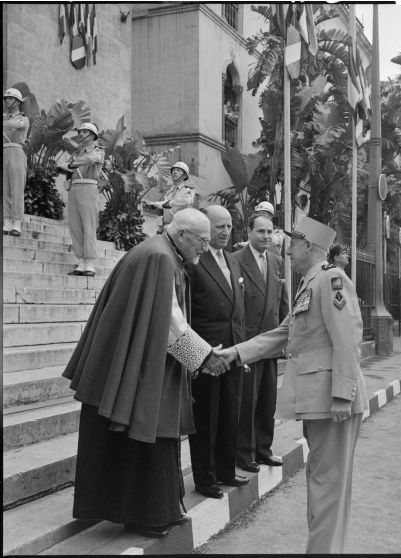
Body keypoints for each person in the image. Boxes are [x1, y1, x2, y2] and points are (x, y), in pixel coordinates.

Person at [62, 208, 230, 538]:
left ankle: (161, 509)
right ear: (183, 236)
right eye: (203, 241)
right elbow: (169, 323)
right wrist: (205, 357)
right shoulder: (160, 258)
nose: (204, 249)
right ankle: (145, 515)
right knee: (145, 430)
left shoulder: (161, 251)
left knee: (151, 434)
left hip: (133, 362)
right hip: (135, 368)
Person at [216, 215, 369, 554]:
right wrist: (234, 354)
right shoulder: (310, 283)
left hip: (334, 401)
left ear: (310, 247)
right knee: (322, 482)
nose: (286, 250)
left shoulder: (332, 281)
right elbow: (281, 333)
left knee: (327, 486)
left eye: (293, 243)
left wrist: (343, 395)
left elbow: (347, 341)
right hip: (319, 401)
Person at [188, 205, 247, 499]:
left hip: (232, 351)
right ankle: (205, 477)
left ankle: (226, 470)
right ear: (206, 230)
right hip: (207, 352)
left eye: (229, 226)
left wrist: (242, 350)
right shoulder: (195, 262)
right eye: (219, 227)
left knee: (229, 413)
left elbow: (238, 311)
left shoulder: (233, 261)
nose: (225, 232)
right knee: (206, 417)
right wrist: (198, 354)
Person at [231, 213, 289, 473]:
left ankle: (264, 449)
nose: (266, 236)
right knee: (247, 400)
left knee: (268, 399)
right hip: (249, 341)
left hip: (272, 340)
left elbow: (283, 303)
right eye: (261, 232)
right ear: (249, 232)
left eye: (269, 232)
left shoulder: (277, 262)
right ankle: (244, 453)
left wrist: (286, 338)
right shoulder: (236, 261)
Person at [63, 122, 104, 277]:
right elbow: (68, 169)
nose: (81, 134)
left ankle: (90, 263)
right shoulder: (75, 153)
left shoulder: (98, 150)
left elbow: (92, 159)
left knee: (89, 225)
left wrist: (71, 164)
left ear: (92, 135)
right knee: (76, 227)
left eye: (85, 132)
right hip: (74, 189)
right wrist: (68, 175)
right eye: (80, 131)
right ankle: (80, 261)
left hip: (89, 188)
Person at [3, 87, 29, 237]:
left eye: (10, 98)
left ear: (18, 102)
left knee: (16, 188)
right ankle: (6, 222)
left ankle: (17, 223)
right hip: (4, 151)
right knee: (5, 188)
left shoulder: (23, 118)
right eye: (5, 98)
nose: (7, 100)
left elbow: (15, 124)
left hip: (16, 151)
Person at [142, 161, 195, 233]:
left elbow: (187, 201)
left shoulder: (188, 190)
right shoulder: (169, 190)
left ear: (185, 176)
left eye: (178, 170)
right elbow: (164, 207)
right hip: (166, 228)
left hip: (180, 229)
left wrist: (170, 203)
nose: (175, 172)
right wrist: (153, 204)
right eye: (174, 170)